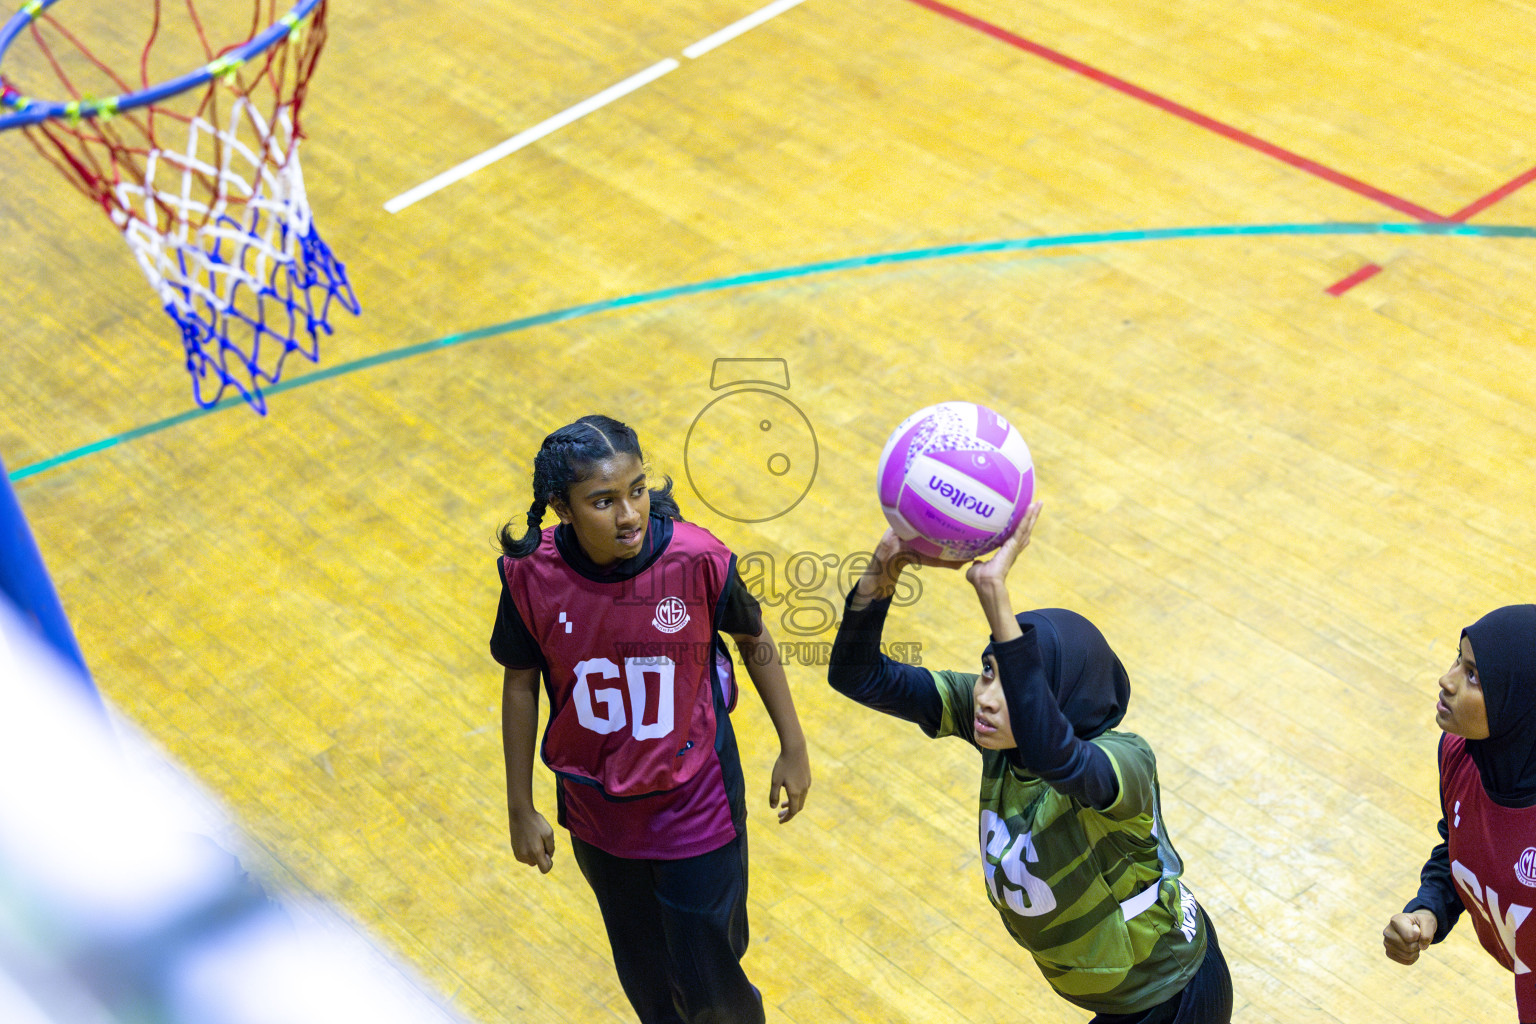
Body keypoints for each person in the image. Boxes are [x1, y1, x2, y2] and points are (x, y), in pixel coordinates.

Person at [827, 504, 1232, 1023]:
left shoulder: (1126, 763)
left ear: (1060, 697)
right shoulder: (993, 732)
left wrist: (994, 591)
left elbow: (1057, 757)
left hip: (1172, 998)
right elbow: (856, 676)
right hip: (1120, 1002)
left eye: (1014, 682)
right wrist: (886, 565)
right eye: (987, 670)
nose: (988, 697)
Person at [491, 414, 812, 1024]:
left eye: (636, 490)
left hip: (697, 807)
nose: (629, 514)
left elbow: (753, 635)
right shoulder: (531, 577)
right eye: (603, 501)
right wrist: (519, 806)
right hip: (598, 816)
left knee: (712, 988)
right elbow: (519, 682)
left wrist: (792, 746)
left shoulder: (696, 559)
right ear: (561, 507)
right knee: (650, 990)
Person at [1384, 605, 1536, 1021]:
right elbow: (1459, 841)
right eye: (1458, 658)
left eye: (1473, 676)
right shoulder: (1459, 754)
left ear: (1519, 702)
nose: (1446, 681)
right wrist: (1428, 908)